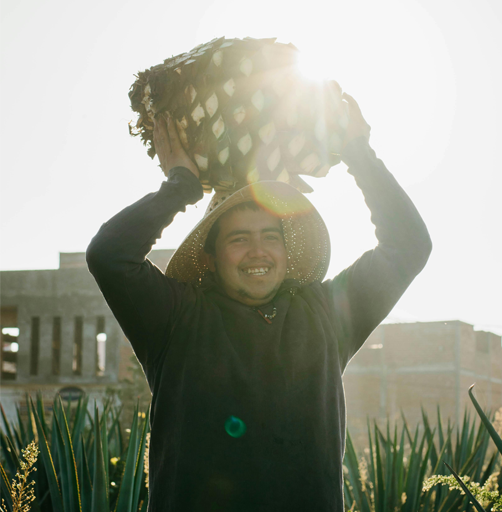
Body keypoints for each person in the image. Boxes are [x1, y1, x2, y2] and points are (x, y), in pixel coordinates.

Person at [86, 93, 432, 511]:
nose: (258, 251)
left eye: (271, 236)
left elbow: (408, 245)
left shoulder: (326, 314)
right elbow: (109, 255)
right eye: (239, 239)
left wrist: (358, 153)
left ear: (286, 252)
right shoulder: (176, 317)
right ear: (210, 258)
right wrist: (181, 186)